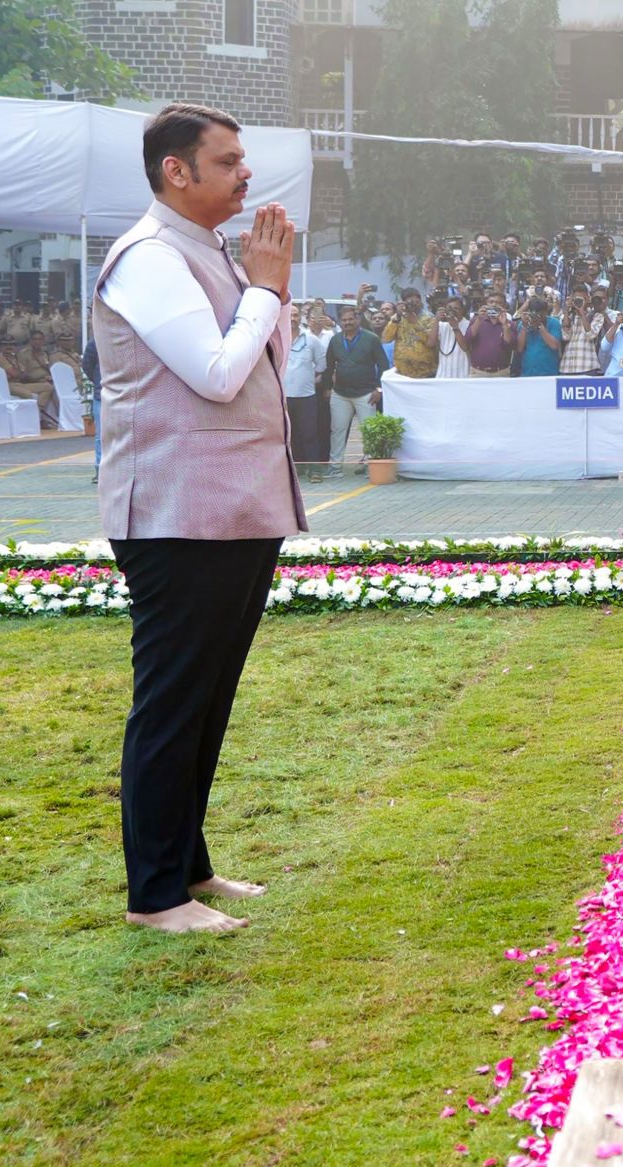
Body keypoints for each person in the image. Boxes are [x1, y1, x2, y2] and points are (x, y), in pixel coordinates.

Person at [95, 103, 306, 933]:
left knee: (208, 697)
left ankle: (188, 865)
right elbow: (217, 374)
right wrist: (266, 289)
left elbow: (269, 360)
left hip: (235, 506)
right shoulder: (148, 256)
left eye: (243, 159)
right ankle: (155, 895)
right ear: (174, 171)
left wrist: (267, 290)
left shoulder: (208, 248)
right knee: (174, 699)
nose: (246, 174)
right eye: (227, 161)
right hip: (176, 513)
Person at [322, 306, 385, 471]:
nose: (347, 322)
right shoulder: (335, 340)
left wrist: (379, 389)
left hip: (366, 393)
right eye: (344, 320)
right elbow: (329, 366)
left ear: (358, 319)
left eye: (351, 319)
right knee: (337, 430)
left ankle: (370, 466)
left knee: (369, 431)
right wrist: (327, 388)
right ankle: (335, 466)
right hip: (340, 393)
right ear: (340, 322)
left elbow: (383, 365)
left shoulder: (371, 339)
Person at [281, 309, 329, 480]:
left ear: (300, 317)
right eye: (289, 315)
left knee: (309, 433)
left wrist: (307, 377)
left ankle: (315, 470)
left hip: (306, 396)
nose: (292, 319)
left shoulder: (311, 339)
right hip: (283, 397)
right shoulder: (277, 338)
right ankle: (297, 469)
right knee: (289, 434)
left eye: (295, 315)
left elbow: (321, 365)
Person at [1, 331, 62, 429]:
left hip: (42, 380)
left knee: (50, 387)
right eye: (35, 339)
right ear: (30, 341)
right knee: (30, 393)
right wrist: (38, 378)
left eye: (40, 339)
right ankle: (47, 418)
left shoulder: (45, 354)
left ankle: (40, 413)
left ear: (43, 341)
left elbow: (22, 371)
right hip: (23, 382)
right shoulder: (22, 354)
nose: (37, 342)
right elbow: (21, 374)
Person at [384, 288, 438, 379]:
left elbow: (430, 342)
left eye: (415, 302)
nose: (412, 305)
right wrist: (397, 316)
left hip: (426, 371)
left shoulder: (430, 317)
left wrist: (415, 323)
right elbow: (386, 338)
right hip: (402, 372)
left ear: (420, 301)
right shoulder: (398, 318)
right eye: (409, 302)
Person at [464, 298, 516, 378]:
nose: (494, 304)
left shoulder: (509, 323)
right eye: (491, 302)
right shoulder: (476, 320)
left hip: (501, 372)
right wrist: (479, 319)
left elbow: (510, 344)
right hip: (478, 372)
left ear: (504, 306)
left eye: (498, 303)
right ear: (486, 304)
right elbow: (468, 339)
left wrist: (505, 325)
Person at [515, 298, 564, 378]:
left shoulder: (554, 323)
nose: (536, 316)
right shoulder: (523, 324)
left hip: (549, 372)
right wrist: (524, 327)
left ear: (545, 312)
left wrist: (540, 327)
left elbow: (554, 346)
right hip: (527, 372)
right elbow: (520, 348)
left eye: (540, 313)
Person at [557, 293, 602, 376]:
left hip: (588, 365)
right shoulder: (568, 316)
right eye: (576, 299)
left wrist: (582, 313)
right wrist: (566, 311)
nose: (578, 302)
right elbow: (565, 337)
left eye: (581, 299)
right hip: (567, 366)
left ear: (587, 299)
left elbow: (591, 335)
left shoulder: (596, 315)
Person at [432, 296, 471, 379]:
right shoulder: (442, 324)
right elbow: (431, 343)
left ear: (462, 310)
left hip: (462, 375)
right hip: (443, 375)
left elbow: (466, 347)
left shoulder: (469, 325)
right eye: (449, 308)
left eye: (456, 308)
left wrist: (455, 326)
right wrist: (436, 320)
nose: (452, 311)